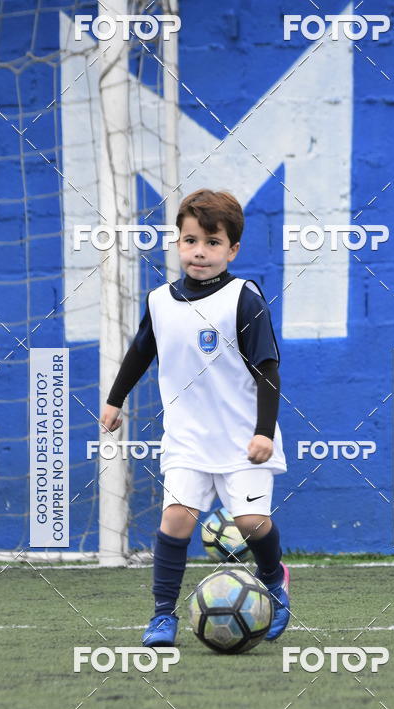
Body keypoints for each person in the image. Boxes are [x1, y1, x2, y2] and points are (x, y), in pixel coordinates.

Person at [99, 188, 291, 647]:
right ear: (177, 243)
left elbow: (268, 371)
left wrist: (264, 432)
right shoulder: (160, 301)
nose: (199, 252)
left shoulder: (244, 298)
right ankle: (162, 615)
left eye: (212, 242)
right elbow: (140, 352)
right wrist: (114, 400)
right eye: (189, 241)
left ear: (232, 249)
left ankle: (274, 579)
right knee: (177, 522)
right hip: (186, 439)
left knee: (250, 524)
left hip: (243, 439)